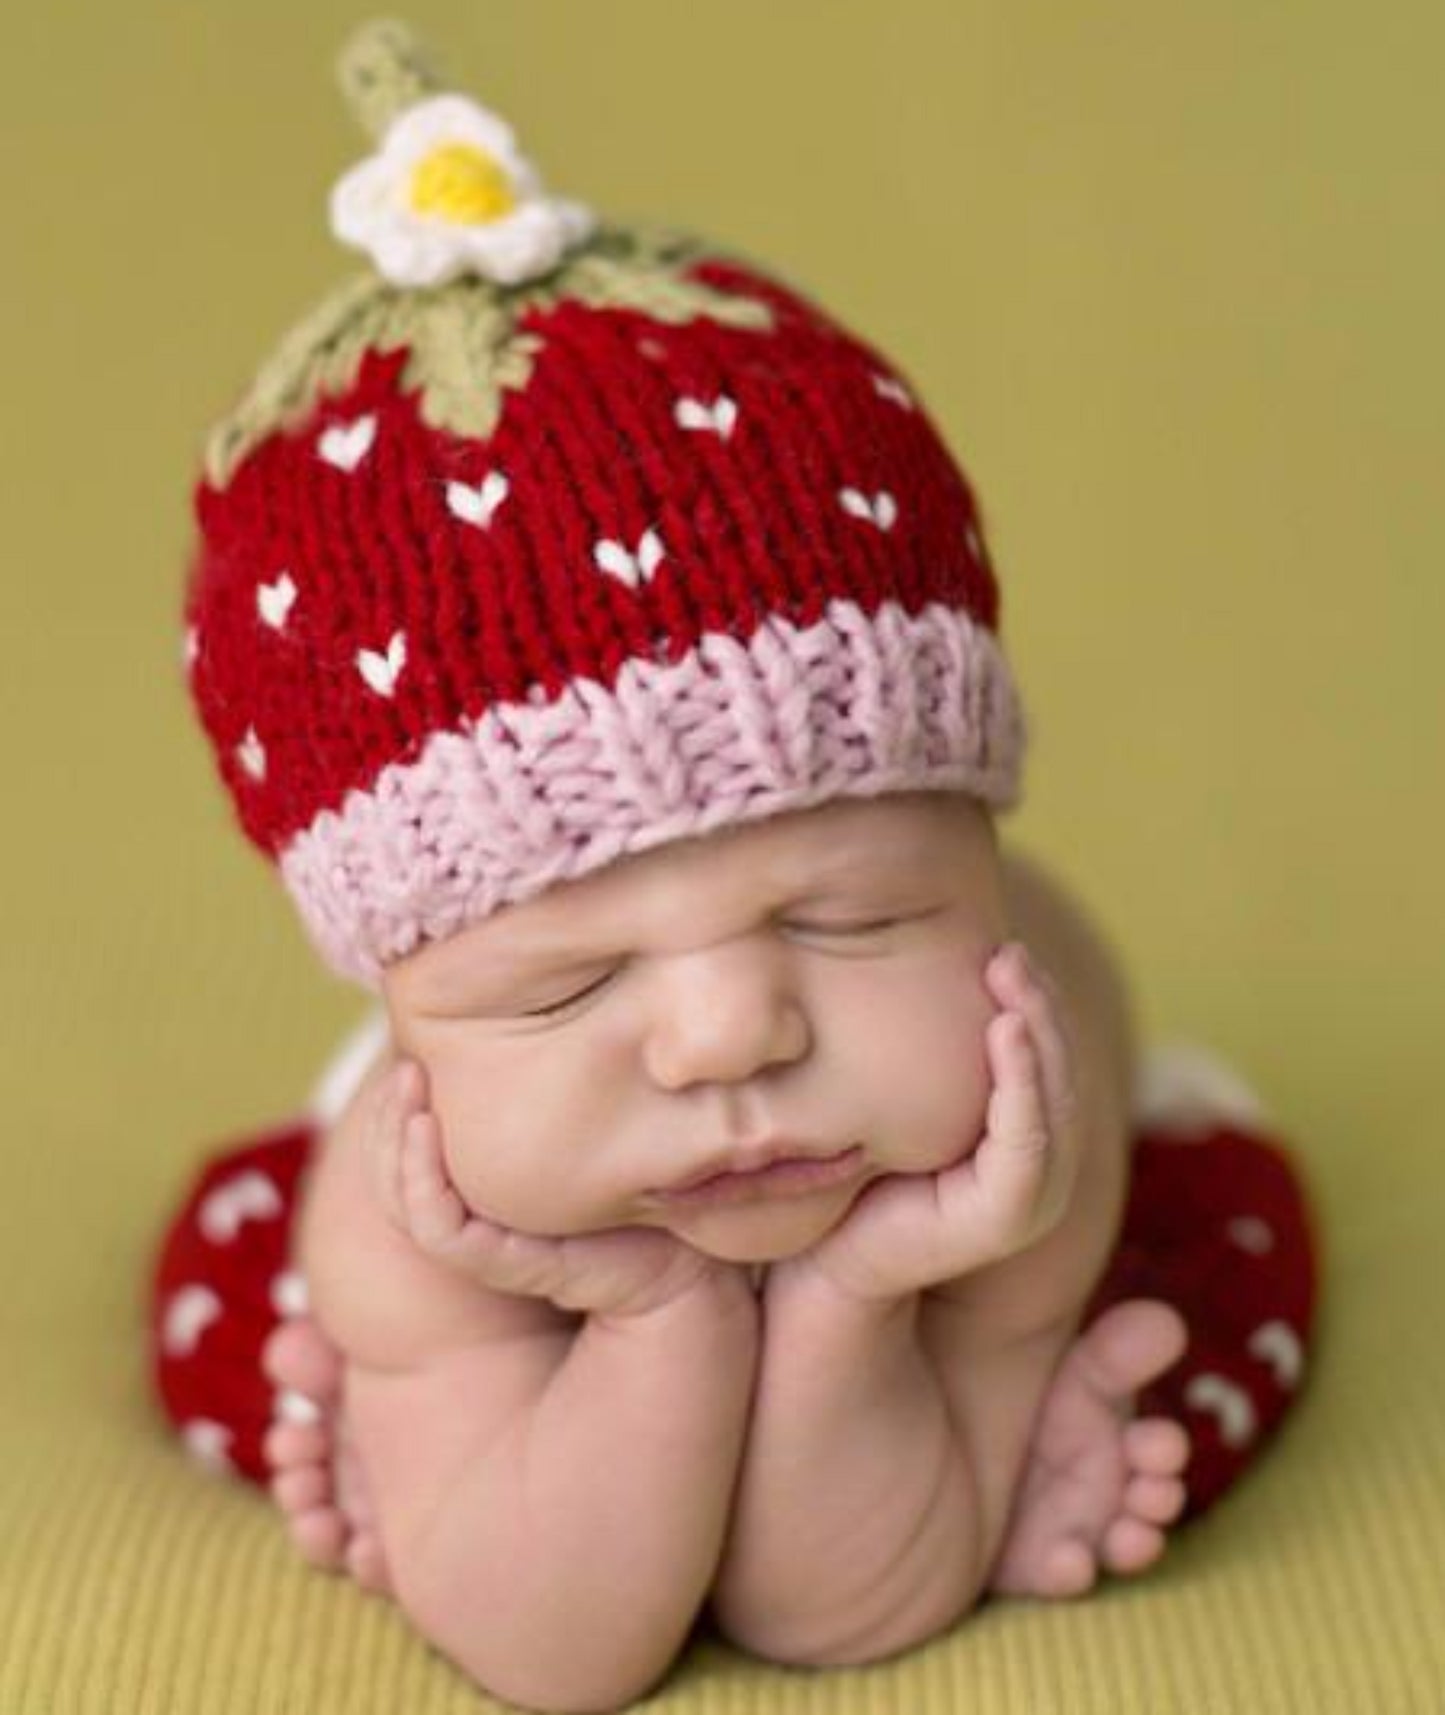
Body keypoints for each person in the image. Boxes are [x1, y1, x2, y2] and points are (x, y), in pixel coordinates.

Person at [148, 20, 1319, 1711]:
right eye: (565, 984)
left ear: (974, 856)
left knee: (1201, 1277)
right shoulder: (418, 1214)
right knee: (275, 1335)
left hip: (1006, 1227)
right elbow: (557, 1661)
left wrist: (858, 1296)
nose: (726, 1036)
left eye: (852, 916)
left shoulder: (1006, 1116)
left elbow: (835, 1615)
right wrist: (648, 1318)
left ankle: (1001, 1430)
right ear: (404, 997)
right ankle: (450, 1428)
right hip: (504, 1277)